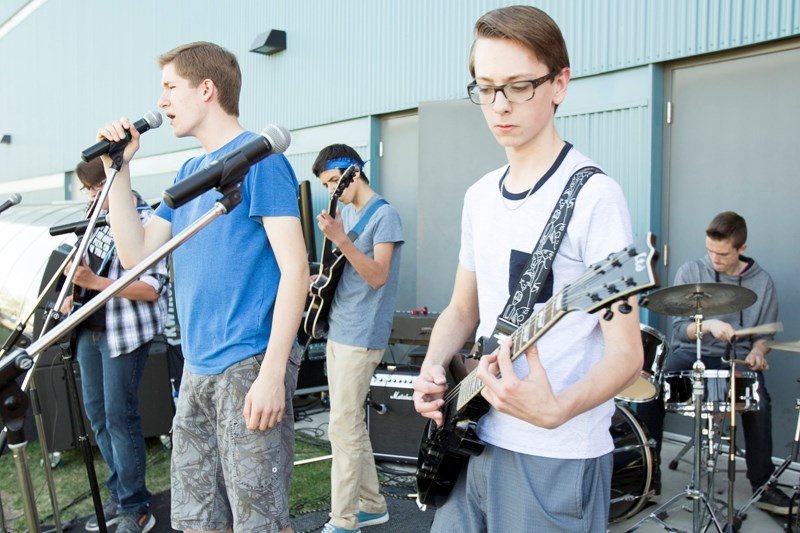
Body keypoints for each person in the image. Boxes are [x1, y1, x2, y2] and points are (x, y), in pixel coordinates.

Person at [411, 6, 643, 532]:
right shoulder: (479, 196)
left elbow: (627, 353)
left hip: (556, 454)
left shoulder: (594, 196)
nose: (499, 105)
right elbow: (462, 309)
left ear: (560, 83)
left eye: (519, 86)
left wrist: (558, 408)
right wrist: (433, 365)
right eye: (486, 87)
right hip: (469, 439)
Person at [98, 41, 309, 533]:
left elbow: (296, 270)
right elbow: (135, 256)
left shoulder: (260, 159)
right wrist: (119, 169)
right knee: (196, 518)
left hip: (249, 361)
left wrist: (273, 372)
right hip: (197, 366)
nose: (163, 102)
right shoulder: (190, 173)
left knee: (258, 518)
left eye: (170, 87)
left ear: (207, 89)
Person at [636, 211, 791, 515]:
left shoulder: (762, 283)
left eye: (722, 254)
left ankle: (762, 483)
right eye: (710, 250)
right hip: (691, 353)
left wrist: (759, 352)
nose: (714, 259)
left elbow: (764, 336)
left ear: (741, 249)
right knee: (650, 391)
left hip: (737, 358)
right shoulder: (692, 271)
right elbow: (680, 329)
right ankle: (648, 476)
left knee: (759, 399)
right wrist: (707, 326)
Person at [61, 157, 168, 533]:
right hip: (88, 332)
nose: (92, 196)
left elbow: (150, 290)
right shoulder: (90, 224)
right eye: (88, 190)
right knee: (98, 418)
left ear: (113, 183)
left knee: (121, 419)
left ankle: (137, 506)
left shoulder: (146, 219)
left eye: (96, 188)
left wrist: (92, 283)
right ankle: (121, 493)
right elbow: (85, 275)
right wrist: (72, 290)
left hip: (124, 334)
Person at [310, 145, 404, 533]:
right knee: (348, 425)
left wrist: (342, 240)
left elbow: (378, 275)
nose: (334, 191)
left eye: (335, 181)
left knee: (342, 428)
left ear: (353, 172)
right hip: (341, 327)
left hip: (362, 333)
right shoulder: (348, 213)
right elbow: (345, 271)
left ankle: (343, 520)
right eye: (327, 186)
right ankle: (372, 505)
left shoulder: (386, 216)